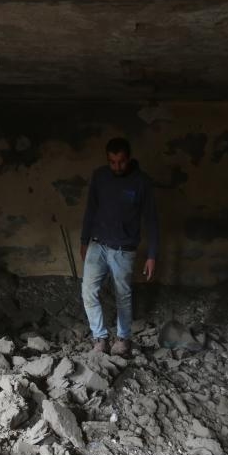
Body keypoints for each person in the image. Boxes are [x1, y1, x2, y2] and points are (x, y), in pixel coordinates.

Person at [79, 137, 159, 355]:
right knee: (88, 291)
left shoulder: (141, 182)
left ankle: (123, 339)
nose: (117, 167)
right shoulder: (100, 176)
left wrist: (152, 255)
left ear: (129, 158)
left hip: (124, 250)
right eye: (112, 162)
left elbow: (151, 219)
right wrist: (84, 240)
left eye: (121, 162)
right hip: (98, 244)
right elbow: (90, 210)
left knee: (123, 296)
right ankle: (100, 338)